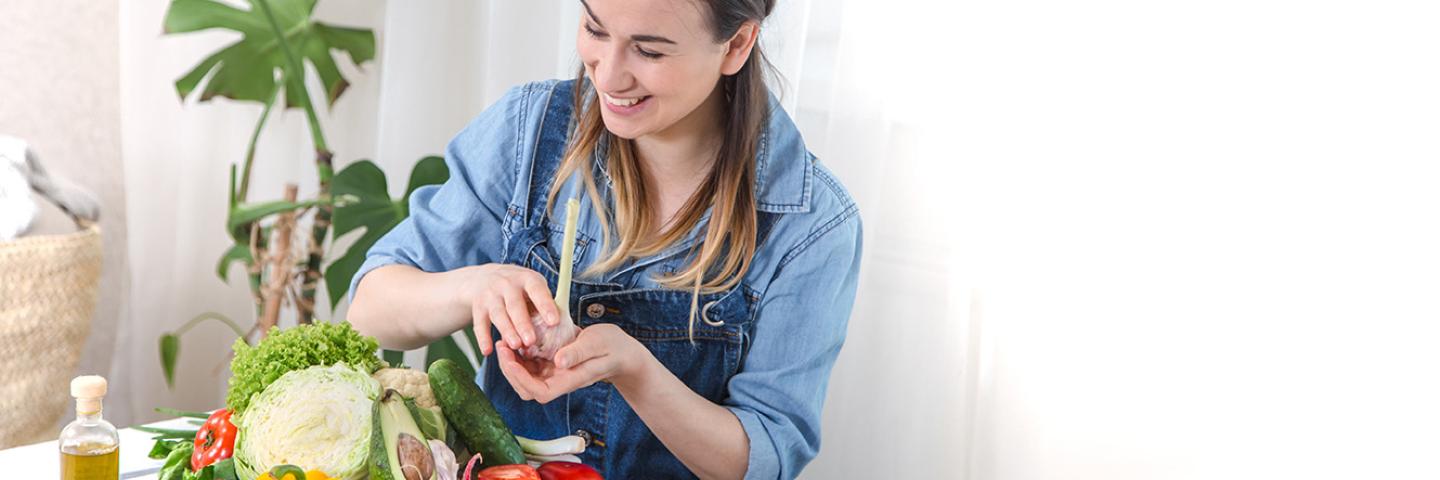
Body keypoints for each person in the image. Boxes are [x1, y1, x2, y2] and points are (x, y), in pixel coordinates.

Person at [348, 0, 861, 478]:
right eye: (595, 28)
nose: (608, 74)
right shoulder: (530, 129)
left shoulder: (811, 224)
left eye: (649, 50)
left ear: (737, 45)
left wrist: (637, 372)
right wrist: (473, 286)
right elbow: (370, 311)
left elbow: (764, 456)